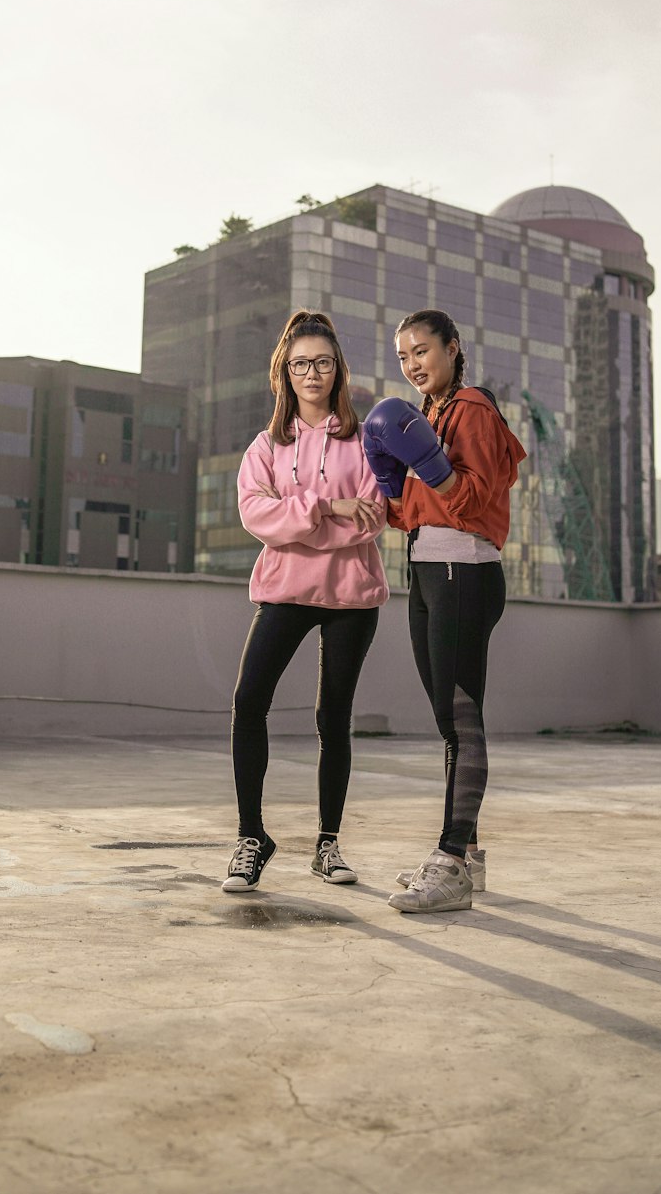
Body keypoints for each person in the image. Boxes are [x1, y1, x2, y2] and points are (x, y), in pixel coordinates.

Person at [362, 309, 526, 914]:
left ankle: (451, 859)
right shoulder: (428, 414)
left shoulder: (474, 408)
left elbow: (477, 495)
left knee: (460, 716)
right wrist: (390, 482)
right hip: (430, 569)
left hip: (464, 569)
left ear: (454, 348)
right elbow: (414, 512)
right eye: (403, 356)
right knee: (446, 716)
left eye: (422, 351)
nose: (412, 365)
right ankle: (471, 854)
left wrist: (429, 470)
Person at [222, 310, 390, 893]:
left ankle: (327, 844)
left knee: (332, 718)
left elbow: (371, 520)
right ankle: (251, 836)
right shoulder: (267, 445)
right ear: (283, 373)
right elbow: (256, 517)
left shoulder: (368, 439)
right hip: (285, 591)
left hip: (352, 597)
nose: (311, 373)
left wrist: (300, 519)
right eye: (300, 364)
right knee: (249, 702)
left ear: (337, 368)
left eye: (321, 362)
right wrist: (325, 507)